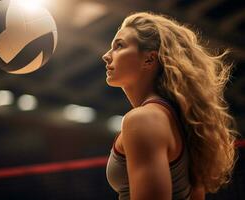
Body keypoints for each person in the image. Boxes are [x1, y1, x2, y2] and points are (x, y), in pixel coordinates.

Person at [102, 12, 238, 200]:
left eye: (119, 46)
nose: (106, 56)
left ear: (149, 59)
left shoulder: (143, 119)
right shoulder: (185, 120)